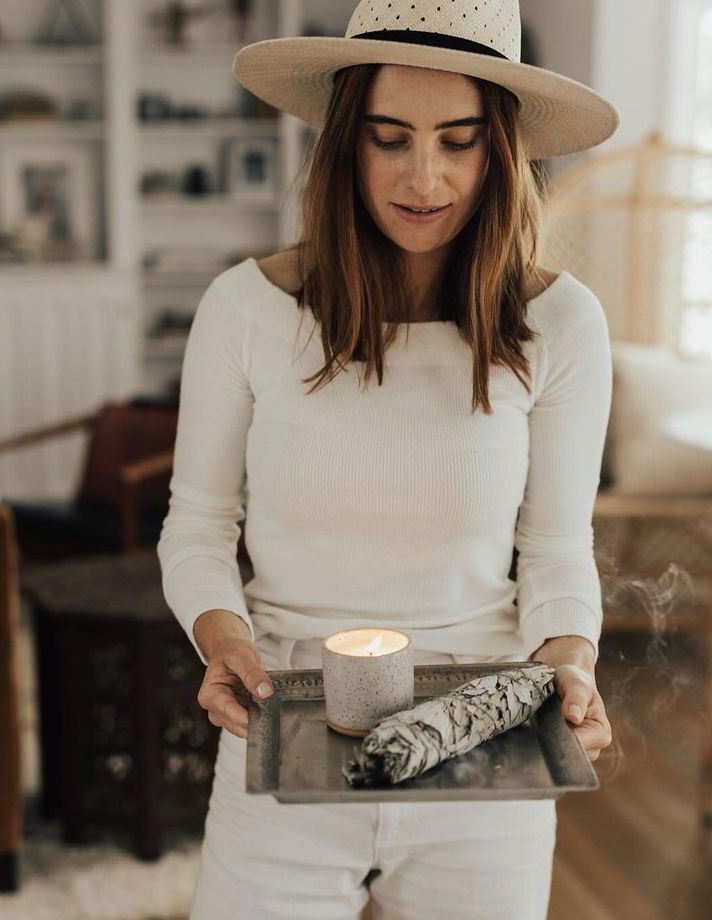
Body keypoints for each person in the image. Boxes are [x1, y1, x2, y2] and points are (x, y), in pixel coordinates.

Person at [157, 1, 619, 917]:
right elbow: (200, 526)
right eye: (389, 137)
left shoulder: (563, 324)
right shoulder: (245, 311)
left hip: (490, 733)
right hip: (281, 722)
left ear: (501, 149)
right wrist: (225, 639)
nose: (423, 177)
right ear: (344, 142)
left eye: (458, 141)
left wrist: (570, 661)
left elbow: (559, 552)